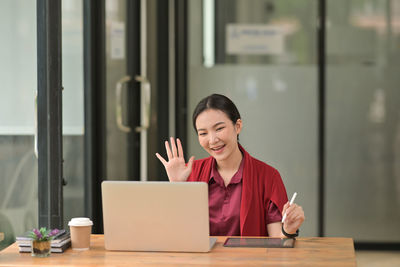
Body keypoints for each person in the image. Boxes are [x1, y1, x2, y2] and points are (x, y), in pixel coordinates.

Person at [156, 94, 305, 237]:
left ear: (237, 126)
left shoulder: (268, 176)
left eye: (219, 128)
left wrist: (288, 230)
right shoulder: (190, 173)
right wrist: (176, 188)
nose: (212, 140)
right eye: (203, 133)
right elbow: (175, 237)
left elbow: (277, 244)